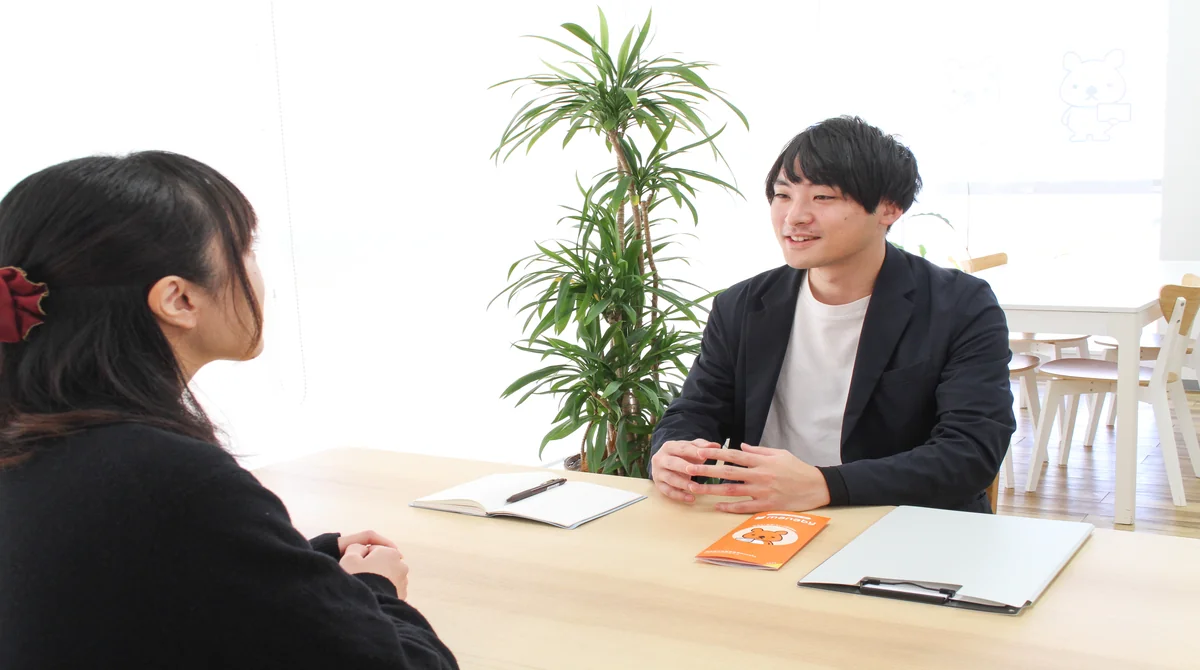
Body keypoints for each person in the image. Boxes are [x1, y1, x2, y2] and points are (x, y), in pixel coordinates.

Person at [0, 152, 458, 669]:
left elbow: (129, 583)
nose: (261, 278)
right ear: (179, 299)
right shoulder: (164, 478)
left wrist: (302, 564)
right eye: (245, 250)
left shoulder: (39, 447)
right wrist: (375, 589)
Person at [650, 116, 1016, 515]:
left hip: (900, 520)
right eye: (783, 194)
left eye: (823, 197)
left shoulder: (960, 305)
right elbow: (697, 409)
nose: (794, 216)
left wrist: (826, 485)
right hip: (764, 521)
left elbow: (970, 452)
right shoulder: (742, 304)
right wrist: (672, 449)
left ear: (889, 208)